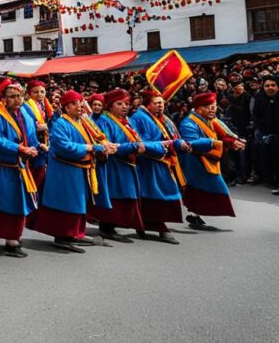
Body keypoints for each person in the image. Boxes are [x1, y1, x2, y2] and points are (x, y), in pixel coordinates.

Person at [29, 90, 118, 253]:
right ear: (66, 107)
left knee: (79, 201)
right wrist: (91, 147)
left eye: (80, 102)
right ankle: (63, 236)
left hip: (81, 169)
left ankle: (76, 232)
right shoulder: (61, 124)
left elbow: (98, 135)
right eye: (74, 104)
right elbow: (64, 147)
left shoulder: (83, 120)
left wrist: (106, 144)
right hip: (65, 171)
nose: (79, 106)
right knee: (68, 202)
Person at [91, 89, 165, 243]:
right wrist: (133, 147)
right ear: (110, 106)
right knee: (116, 195)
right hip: (114, 165)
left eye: (127, 104)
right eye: (119, 104)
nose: (124, 107)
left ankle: (123, 225)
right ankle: (107, 227)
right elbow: (109, 144)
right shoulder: (103, 121)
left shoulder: (129, 121)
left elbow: (138, 140)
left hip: (129, 163)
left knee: (129, 195)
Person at [0, 81, 39, 258]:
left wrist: (37, 147)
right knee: (9, 202)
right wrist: (18, 148)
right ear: (4, 99)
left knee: (19, 202)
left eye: (19, 96)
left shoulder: (25, 115)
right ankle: (11, 241)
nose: (16, 100)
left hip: (22, 165)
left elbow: (31, 137)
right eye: (12, 97)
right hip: (5, 167)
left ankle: (13, 235)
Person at [179, 92, 246, 229]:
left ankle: (194, 213)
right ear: (198, 108)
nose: (212, 109)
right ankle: (194, 212)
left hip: (209, 159)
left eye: (214, 106)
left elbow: (224, 134)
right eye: (208, 106)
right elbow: (191, 142)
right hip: (194, 161)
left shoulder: (212, 120)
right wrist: (215, 143)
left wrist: (233, 142)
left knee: (201, 189)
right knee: (208, 188)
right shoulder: (188, 123)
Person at [130, 89, 188, 244]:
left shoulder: (164, 118)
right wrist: (161, 146)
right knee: (154, 195)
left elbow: (171, 137)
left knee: (163, 193)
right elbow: (138, 140)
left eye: (161, 103)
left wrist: (179, 143)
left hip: (165, 161)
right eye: (156, 103)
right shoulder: (138, 117)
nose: (160, 106)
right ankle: (161, 228)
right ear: (147, 105)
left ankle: (146, 225)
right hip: (150, 162)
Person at [250, 76, 279, 191]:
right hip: (267, 135)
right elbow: (256, 116)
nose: (270, 88)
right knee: (270, 159)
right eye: (267, 86)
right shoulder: (259, 99)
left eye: (273, 85)